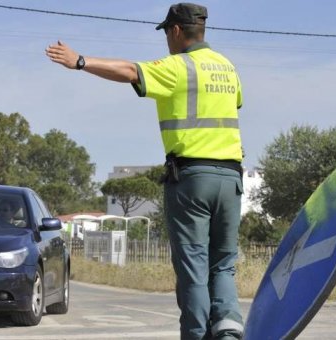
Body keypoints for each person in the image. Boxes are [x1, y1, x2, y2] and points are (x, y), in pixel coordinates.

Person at [45, 3, 244, 339]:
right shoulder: (228, 67)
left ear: (177, 31)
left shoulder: (179, 67)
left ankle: (196, 335)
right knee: (222, 264)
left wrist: (81, 62)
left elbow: (130, 71)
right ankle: (228, 330)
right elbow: (234, 104)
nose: (166, 40)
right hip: (232, 179)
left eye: (167, 32)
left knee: (193, 267)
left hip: (192, 178)